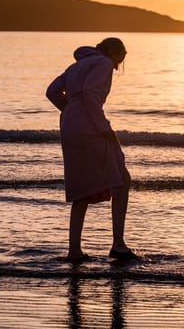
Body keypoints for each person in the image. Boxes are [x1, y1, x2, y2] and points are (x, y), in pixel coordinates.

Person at [46, 37, 138, 261]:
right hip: (90, 126)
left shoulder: (78, 64)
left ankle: (74, 251)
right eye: (120, 59)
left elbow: (52, 91)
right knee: (121, 179)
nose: (117, 67)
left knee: (81, 189)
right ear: (115, 53)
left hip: (70, 126)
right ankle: (118, 245)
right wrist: (101, 126)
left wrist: (70, 112)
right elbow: (90, 93)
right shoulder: (104, 63)